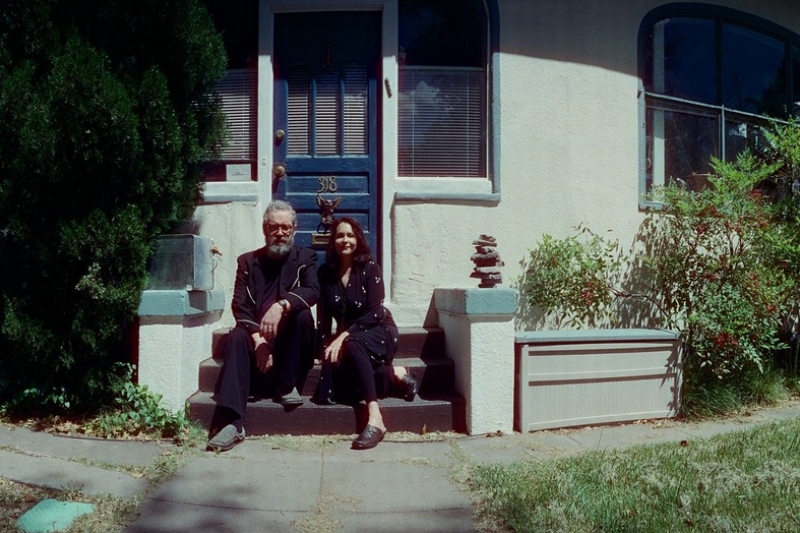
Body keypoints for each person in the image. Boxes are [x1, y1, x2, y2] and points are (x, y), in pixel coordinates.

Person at [207, 200, 319, 452]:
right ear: (264, 229)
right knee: (237, 336)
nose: (279, 233)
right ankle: (232, 423)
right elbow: (239, 305)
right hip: (258, 340)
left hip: (292, 344)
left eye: (285, 227)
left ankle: (287, 384)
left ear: (294, 229)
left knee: (302, 315)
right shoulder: (247, 261)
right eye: (273, 227)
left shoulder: (306, 257)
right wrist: (259, 341)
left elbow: (313, 291)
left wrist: (281, 306)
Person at [314, 217, 419, 450]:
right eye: (340, 235)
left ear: (358, 239)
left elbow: (375, 312)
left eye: (350, 235)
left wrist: (343, 336)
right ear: (333, 241)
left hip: (379, 330)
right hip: (350, 339)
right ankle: (393, 374)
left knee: (353, 345)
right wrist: (324, 346)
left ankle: (375, 418)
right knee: (333, 385)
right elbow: (323, 316)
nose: (345, 240)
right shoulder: (325, 273)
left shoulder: (370, 268)